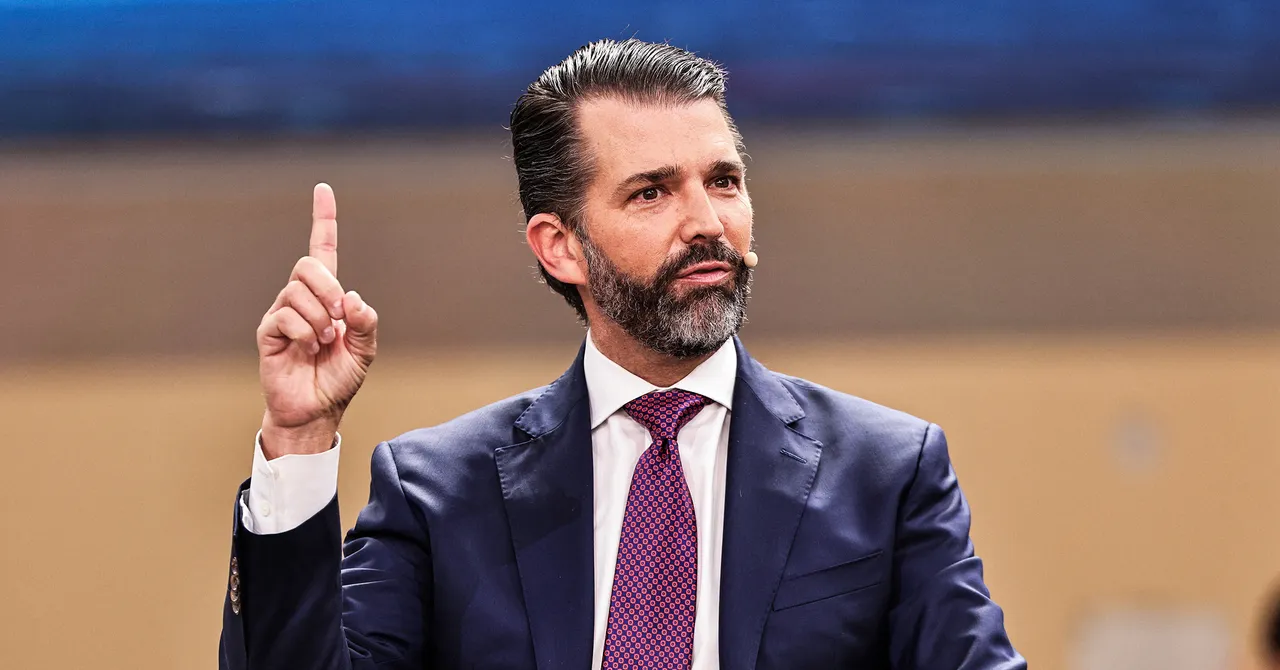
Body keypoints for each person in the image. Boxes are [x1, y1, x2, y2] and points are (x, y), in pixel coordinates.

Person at [218, 39, 1024, 670]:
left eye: (724, 181)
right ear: (561, 246)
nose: (707, 223)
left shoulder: (888, 473)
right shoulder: (439, 497)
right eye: (651, 192)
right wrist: (298, 436)